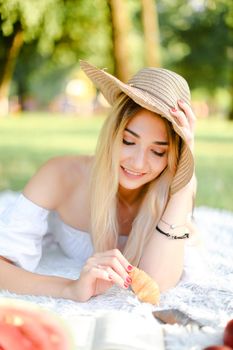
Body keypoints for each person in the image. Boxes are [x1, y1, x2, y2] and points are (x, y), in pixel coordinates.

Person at [0, 61, 196, 302]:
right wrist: (69, 289)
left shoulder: (176, 191)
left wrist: (185, 182)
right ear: (112, 132)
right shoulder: (60, 175)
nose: (137, 163)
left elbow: (155, 284)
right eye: (128, 141)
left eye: (158, 152)